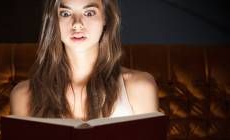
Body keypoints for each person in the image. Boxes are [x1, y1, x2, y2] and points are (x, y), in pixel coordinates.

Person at [10, 0, 158, 121]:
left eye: (89, 13)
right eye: (66, 13)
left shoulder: (140, 88)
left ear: (105, 17)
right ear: (54, 20)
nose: (77, 24)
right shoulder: (24, 95)